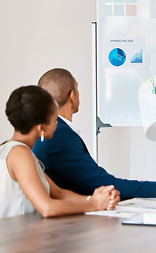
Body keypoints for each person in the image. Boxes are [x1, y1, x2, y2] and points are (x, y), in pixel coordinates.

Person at [32, 68, 156, 200]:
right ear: (72, 96)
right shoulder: (58, 134)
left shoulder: (51, 130)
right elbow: (101, 184)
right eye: (77, 88)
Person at [1, 86, 119, 219]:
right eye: (55, 118)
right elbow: (47, 208)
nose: (57, 123)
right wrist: (94, 204)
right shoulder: (20, 154)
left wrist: (97, 198)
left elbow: (58, 193)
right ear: (41, 128)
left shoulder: (16, 150)